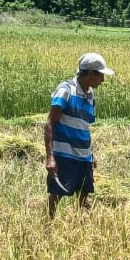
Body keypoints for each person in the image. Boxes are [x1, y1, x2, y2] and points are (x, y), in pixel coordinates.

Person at [44, 52, 114, 219]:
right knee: (58, 192)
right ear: (90, 74)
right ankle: (48, 226)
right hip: (65, 154)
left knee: (84, 192)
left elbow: (84, 127)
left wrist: (91, 154)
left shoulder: (90, 95)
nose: (102, 81)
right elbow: (49, 124)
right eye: (101, 76)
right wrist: (50, 157)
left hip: (83, 156)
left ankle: (80, 225)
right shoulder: (65, 90)